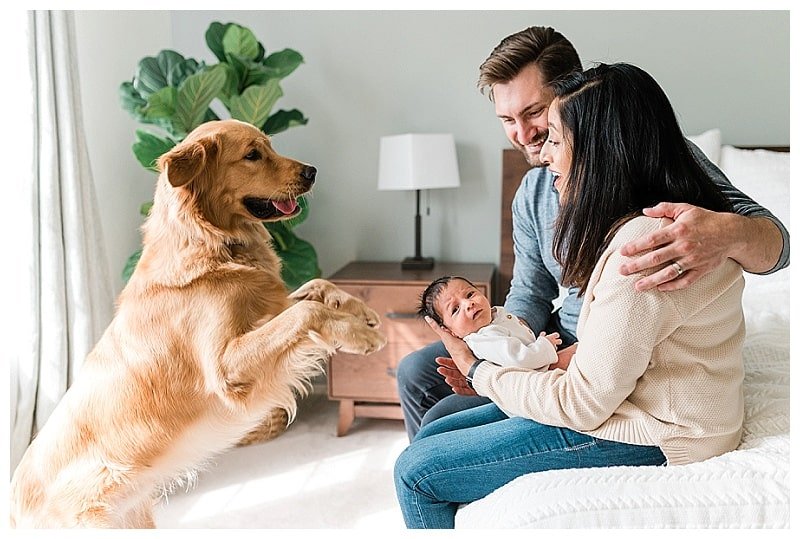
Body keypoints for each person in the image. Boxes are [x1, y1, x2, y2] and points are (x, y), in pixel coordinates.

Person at [394, 61, 752, 529]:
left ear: (601, 151)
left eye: (555, 138)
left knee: (414, 471)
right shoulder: (650, 216)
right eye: (509, 121)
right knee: (435, 430)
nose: (543, 154)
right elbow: (534, 294)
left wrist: (481, 371)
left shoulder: (644, 249)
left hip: (657, 428)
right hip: (629, 392)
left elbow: (583, 403)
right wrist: (503, 342)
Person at [395, 26, 790, 441]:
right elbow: (530, 293)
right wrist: (496, 347)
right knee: (416, 373)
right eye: (507, 120)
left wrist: (726, 232)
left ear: (574, 96)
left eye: (534, 113)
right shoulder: (532, 192)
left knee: (445, 419)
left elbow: (777, 245)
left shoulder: (654, 157)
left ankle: (445, 469)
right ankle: (450, 486)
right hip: (552, 339)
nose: (524, 135)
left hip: (623, 348)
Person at [417, 275, 563, 373]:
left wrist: (537, 343)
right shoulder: (485, 339)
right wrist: (545, 345)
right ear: (450, 332)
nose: (468, 303)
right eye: (455, 309)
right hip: (530, 389)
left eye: (469, 294)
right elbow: (521, 359)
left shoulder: (495, 318)